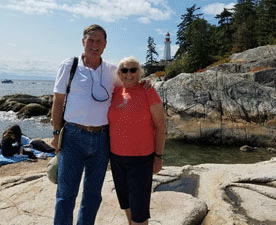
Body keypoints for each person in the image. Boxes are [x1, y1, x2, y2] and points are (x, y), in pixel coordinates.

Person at [50, 24, 117, 225]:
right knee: (66, 193)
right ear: (83, 42)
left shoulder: (112, 70)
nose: (94, 45)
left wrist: (146, 83)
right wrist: (55, 133)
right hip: (72, 137)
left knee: (93, 195)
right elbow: (58, 101)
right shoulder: (69, 65)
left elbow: (132, 82)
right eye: (91, 40)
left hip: (102, 139)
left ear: (105, 45)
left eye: (99, 41)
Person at [108, 57, 166, 225]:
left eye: (133, 70)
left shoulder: (148, 91)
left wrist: (159, 157)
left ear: (139, 72)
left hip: (141, 159)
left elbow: (161, 126)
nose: (129, 74)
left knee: (139, 212)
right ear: (119, 73)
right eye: (124, 70)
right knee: (126, 204)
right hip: (117, 158)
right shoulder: (115, 91)